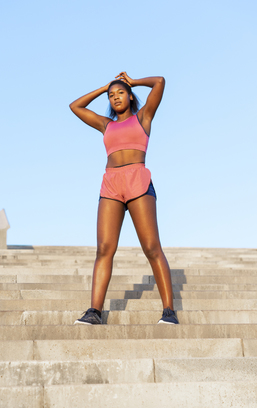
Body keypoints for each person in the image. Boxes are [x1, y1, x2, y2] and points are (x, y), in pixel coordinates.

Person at [69, 72, 178, 325]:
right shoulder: (106, 124)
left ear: (130, 96)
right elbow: (75, 106)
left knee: (152, 248)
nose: (115, 97)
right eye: (111, 95)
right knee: (104, 249)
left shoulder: (144, 117)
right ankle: (94, 312)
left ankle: (169, 312)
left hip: (138, 180)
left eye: (120, 93)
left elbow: (160, 82)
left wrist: (133, 82)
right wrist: (103, 87)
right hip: (111, 184)